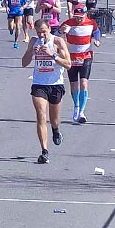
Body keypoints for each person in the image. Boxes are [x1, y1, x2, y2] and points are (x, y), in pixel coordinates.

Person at [22, 19, 73, 164]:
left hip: (55, 84)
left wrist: (53, 55)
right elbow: (23, 63)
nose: (41, 35)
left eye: (44, 32)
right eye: (38, 32)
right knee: (40, 115)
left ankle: (55, 130)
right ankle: (44, 151)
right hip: (39, 84)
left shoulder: (58, 42)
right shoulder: (33, 42)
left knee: (54, 119)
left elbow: (68, 64)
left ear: (49, 28)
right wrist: (32, 53)